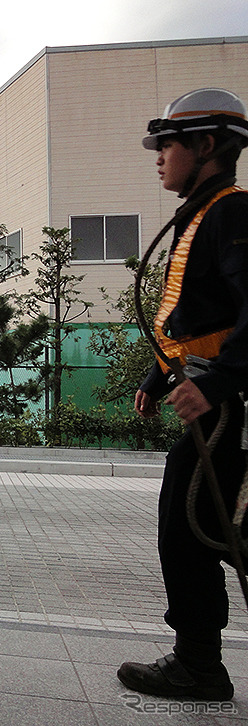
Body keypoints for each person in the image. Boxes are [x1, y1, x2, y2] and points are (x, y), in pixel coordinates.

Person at [119, 88, 248, 701]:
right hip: (210, 401)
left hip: (229, 410)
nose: (158, 157)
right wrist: (157, 377)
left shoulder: (232, 212)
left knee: (205, 527)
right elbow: (195, 317)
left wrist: (216, 383)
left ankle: (198, 663)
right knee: (197, 528)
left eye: (166, 144)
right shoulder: (202, 214)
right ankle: (199, 661)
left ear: (205, 146)